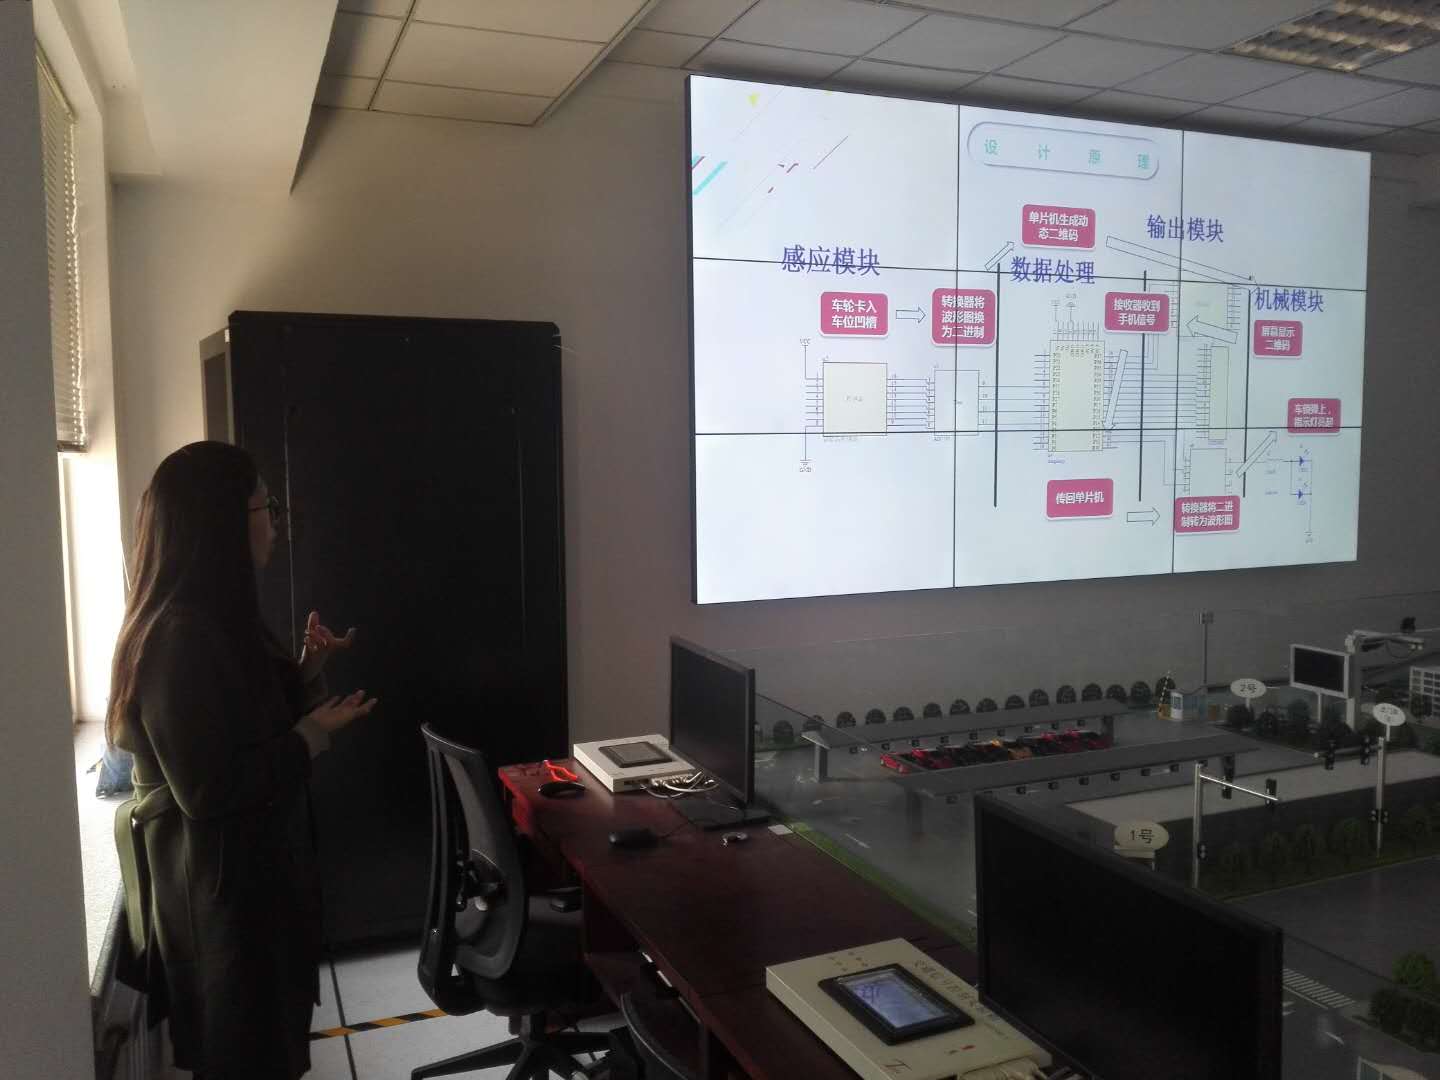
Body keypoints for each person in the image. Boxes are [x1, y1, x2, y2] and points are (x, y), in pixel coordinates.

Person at [106, 441, 377, 1079]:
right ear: (221, 522)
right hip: (222, 908)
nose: (276, 522)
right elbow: (209, 788)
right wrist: (310, 734)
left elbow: (240, 721)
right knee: (245, 1057)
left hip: (250, 889)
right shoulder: (178, 638)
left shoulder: (218, 618)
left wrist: (307, 671)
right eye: (266, 506)